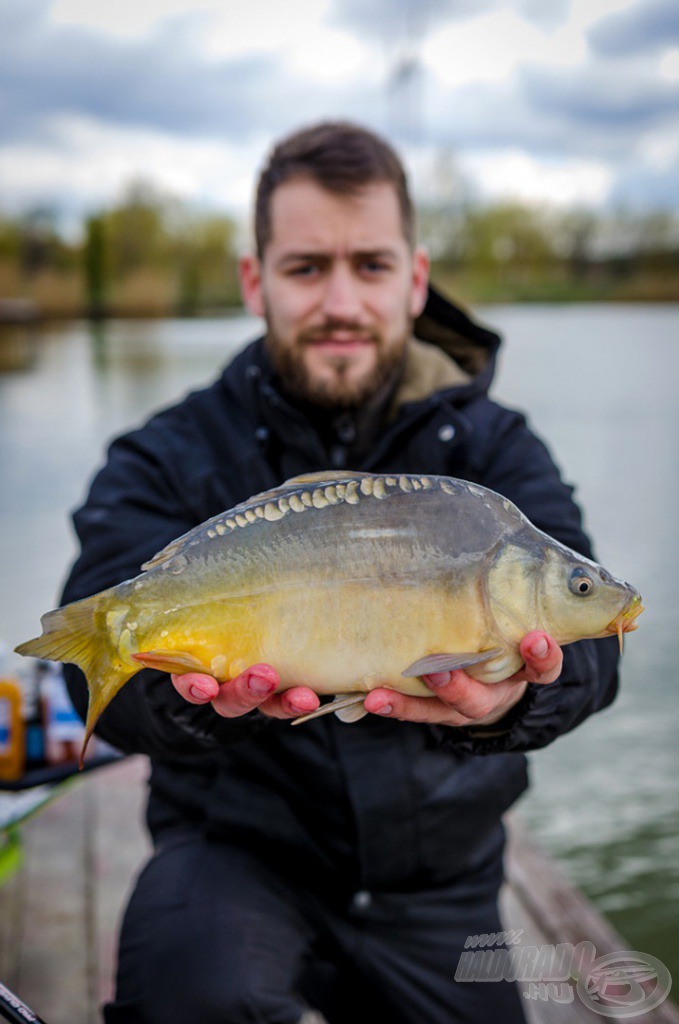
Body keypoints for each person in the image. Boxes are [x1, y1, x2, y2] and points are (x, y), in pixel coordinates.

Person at [62, 122, 619, 1024]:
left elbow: (591, 651)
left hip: (440, 881)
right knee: (190, 990)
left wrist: (513, 698)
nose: (341, 300)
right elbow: (96, 662)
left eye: (369, 264)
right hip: (234, 851)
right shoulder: (164, 455)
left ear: (415, 277)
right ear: (256, 281)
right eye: (306, 267)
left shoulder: (495, 453)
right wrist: (188, 696)